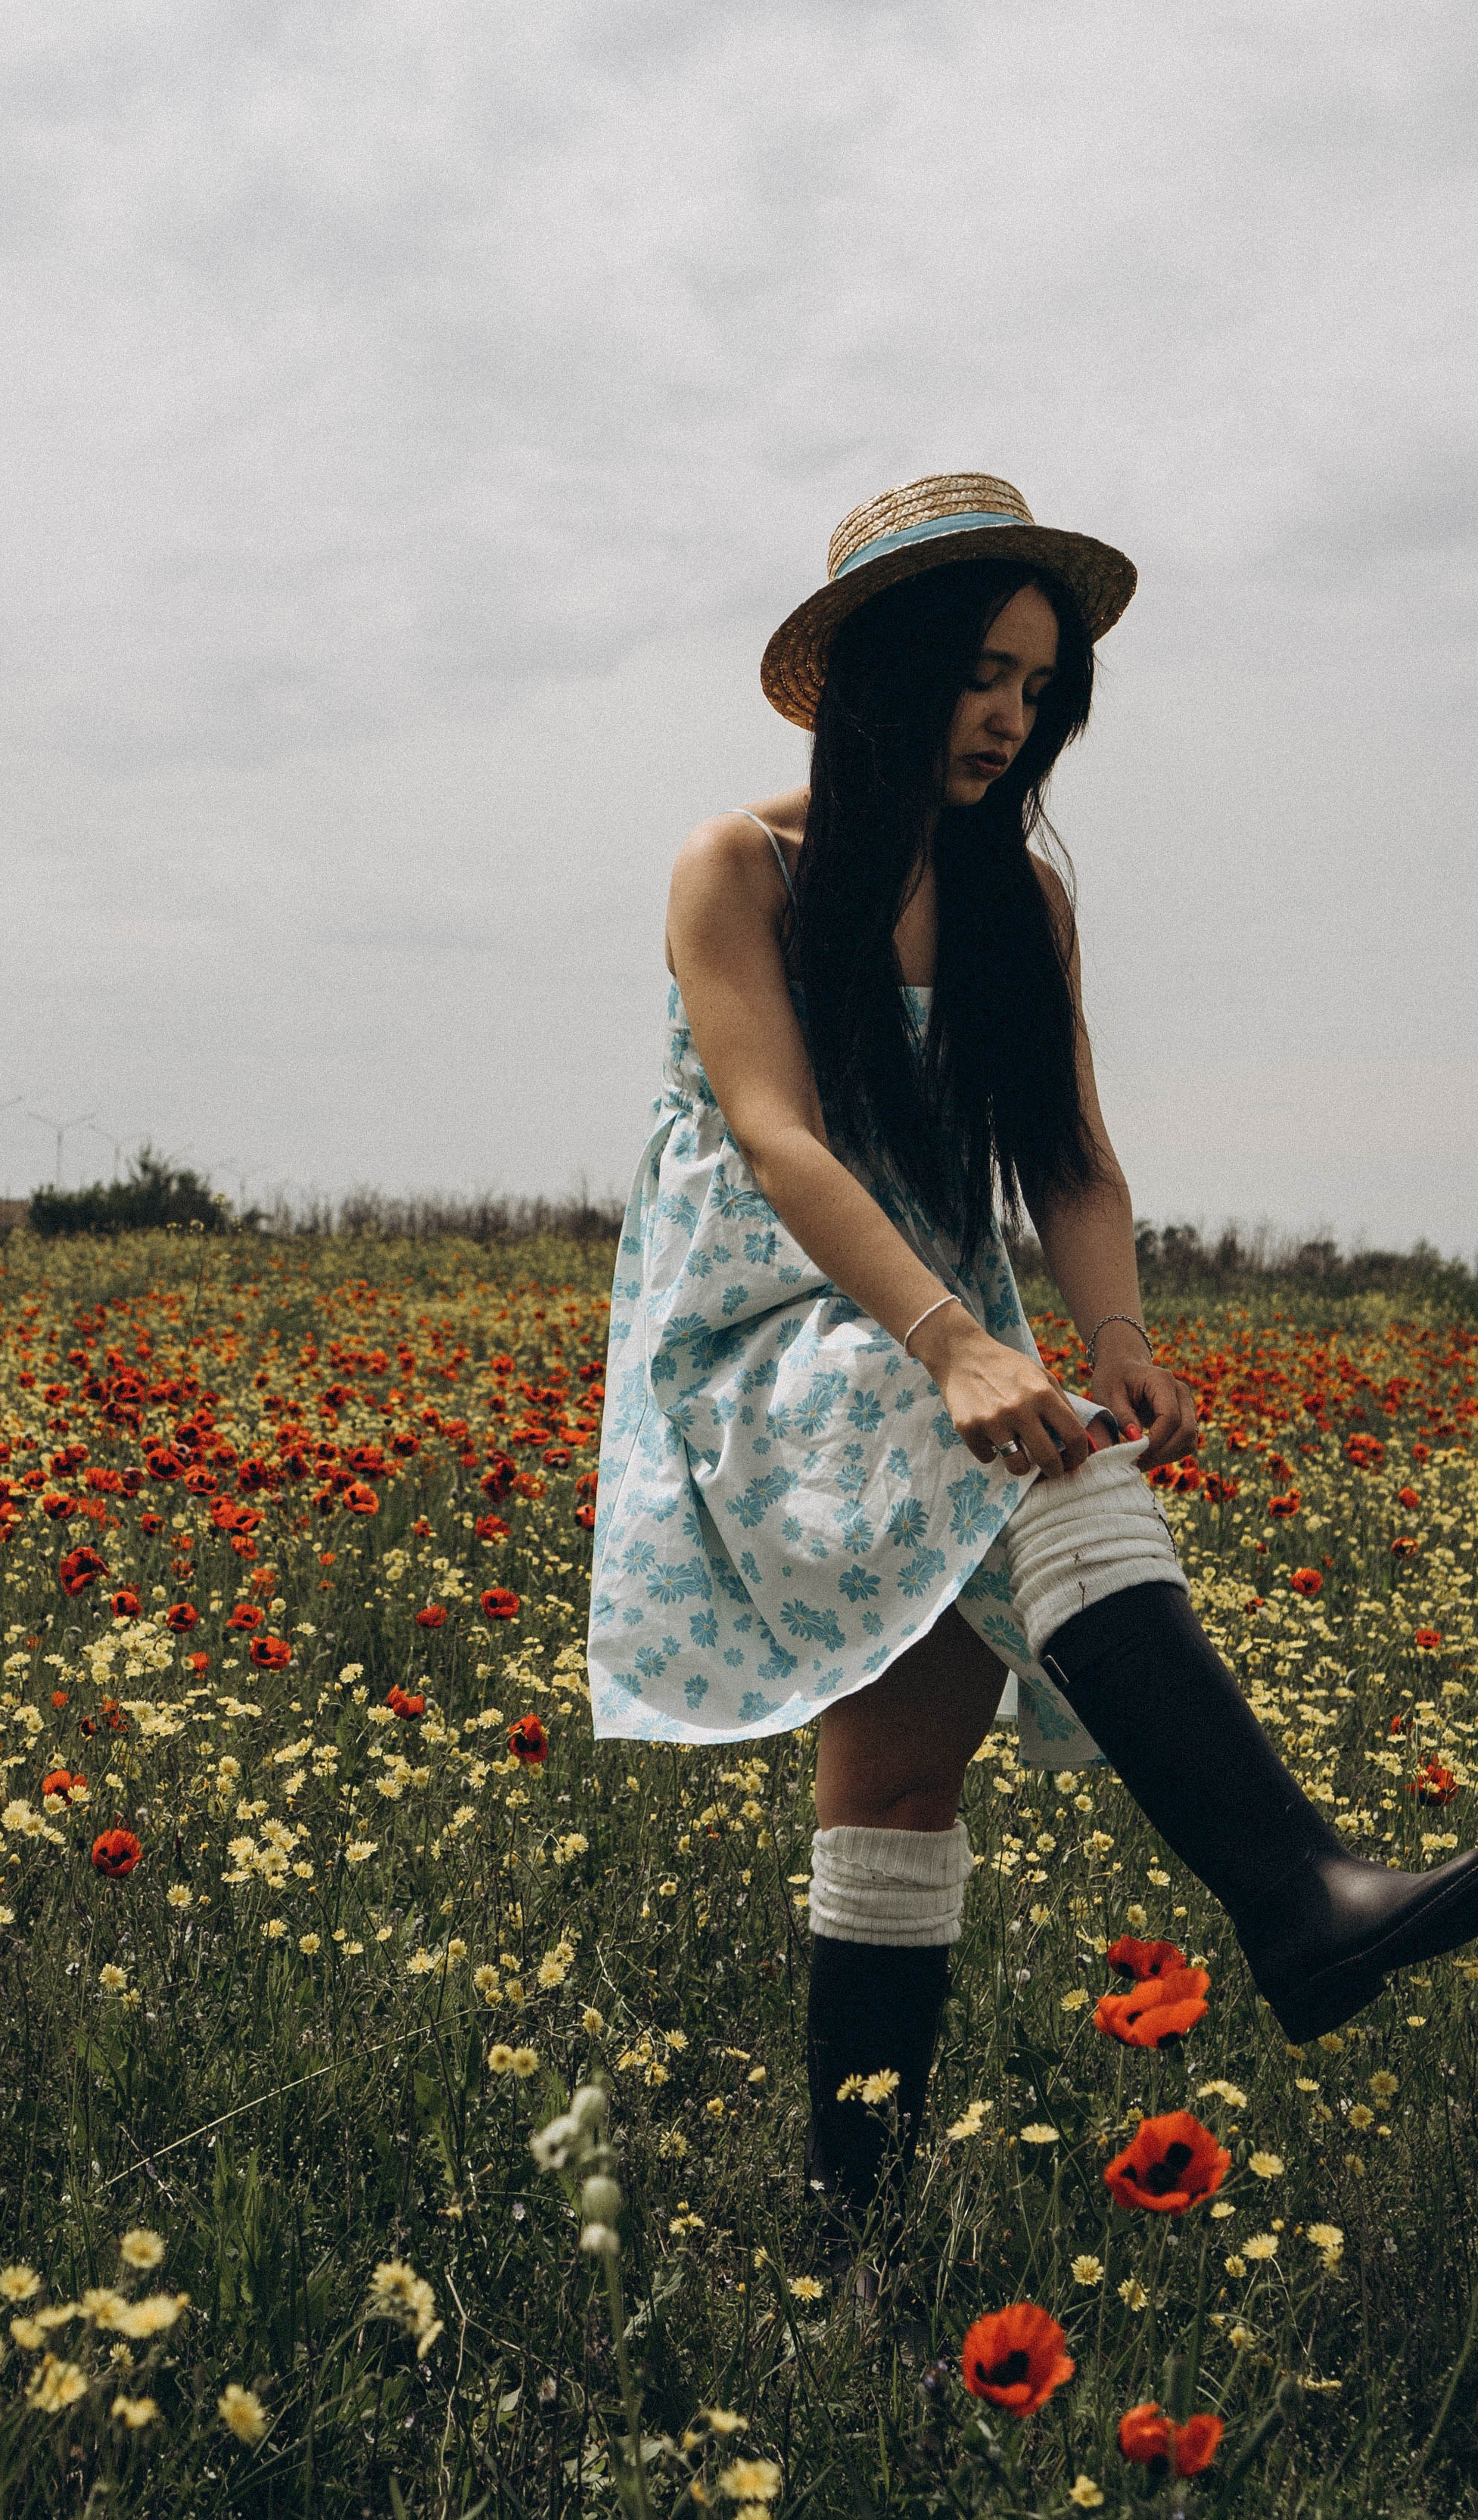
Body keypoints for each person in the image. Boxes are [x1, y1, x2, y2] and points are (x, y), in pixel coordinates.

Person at [588, 470, 1478, 2251]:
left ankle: (852, 2249)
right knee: (1024, 1452)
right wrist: (953, 1346)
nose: (1004, 715)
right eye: (975, 672)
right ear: (868, 676)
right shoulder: (737, 869)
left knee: (902, 1781)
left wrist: (1115, 1338)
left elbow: (1067, 1161)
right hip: (768, 1336)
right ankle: (1295, 1890)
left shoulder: (1017, 905)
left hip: (945, 1332)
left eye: (1033, 684)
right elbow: (777, 1140)